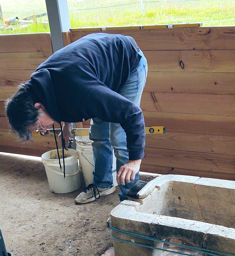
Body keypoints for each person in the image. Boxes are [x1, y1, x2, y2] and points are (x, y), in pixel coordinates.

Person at [6, 33, 148, 204]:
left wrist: (135, 160)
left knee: (119, 137)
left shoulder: (81, 90)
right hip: (96, 73)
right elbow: (60, 99)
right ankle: (103, 185)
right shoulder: (40, 88)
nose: (42, 130)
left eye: (37, 126)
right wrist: (67, 126)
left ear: (38, 107)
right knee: (98, 135)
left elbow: (132, 114)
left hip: (128, 62)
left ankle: (129, 201)